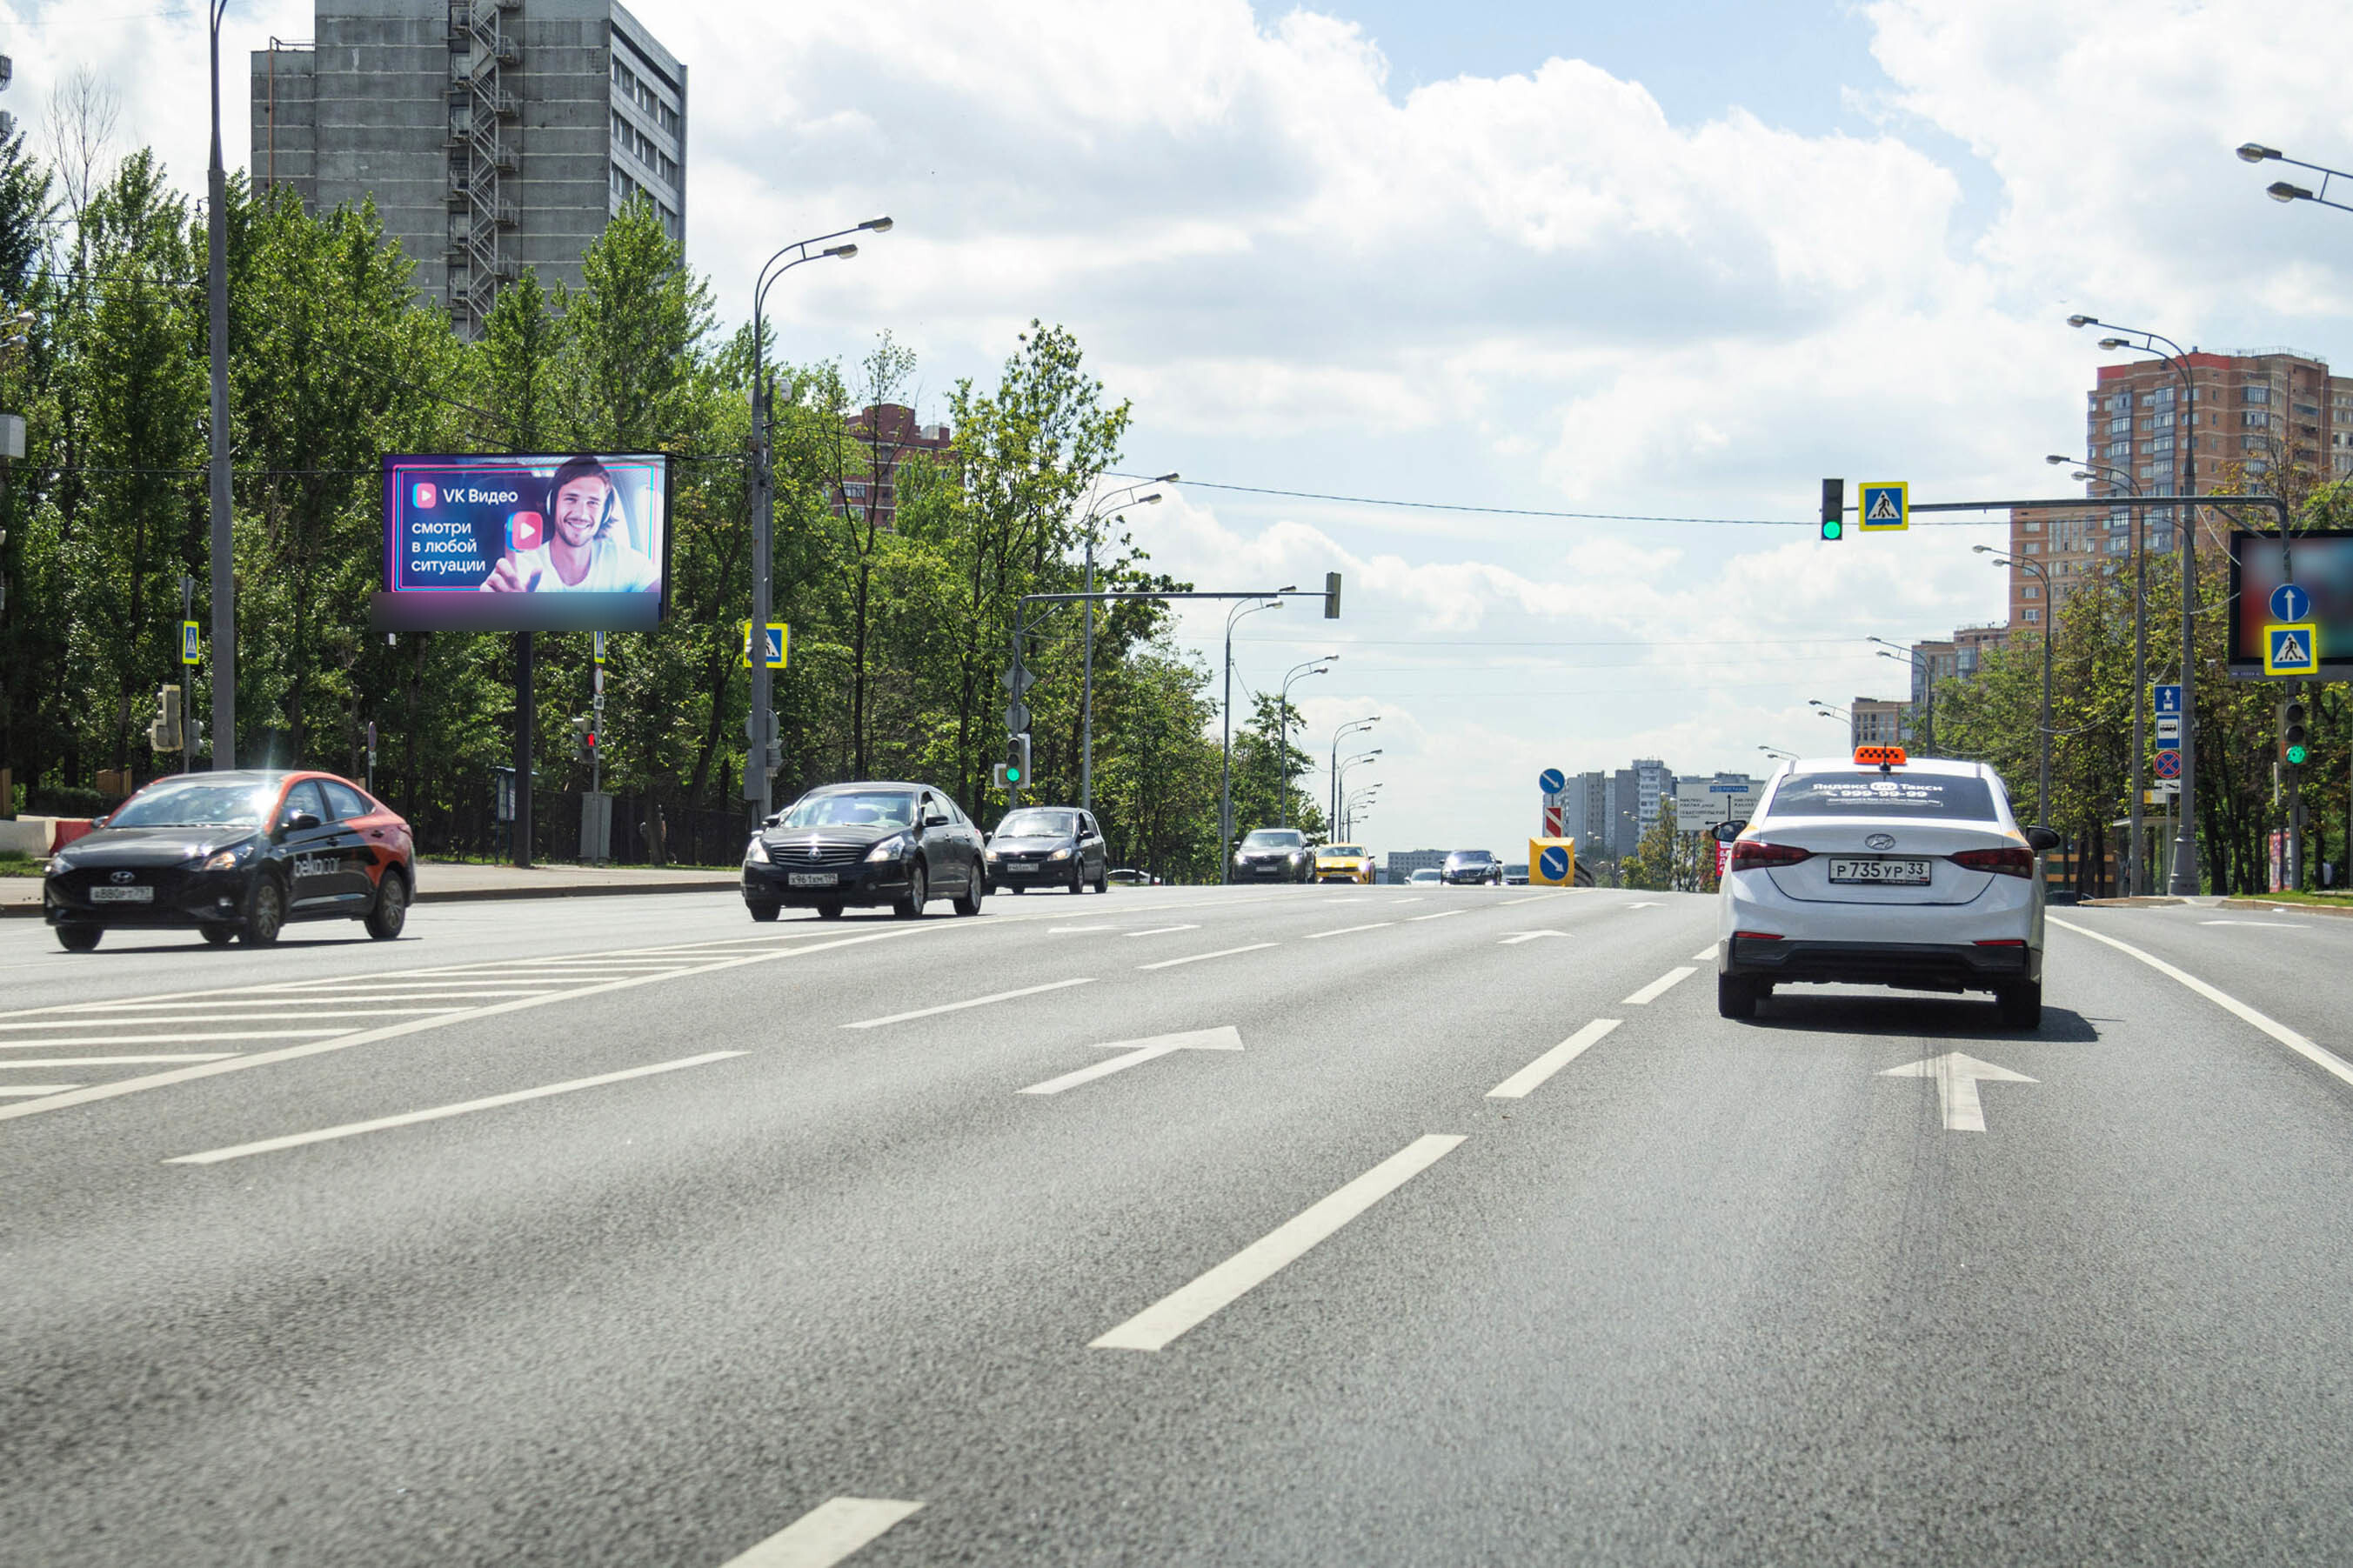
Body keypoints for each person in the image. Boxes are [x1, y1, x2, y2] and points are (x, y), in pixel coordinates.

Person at [478, 456, 658, 593]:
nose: (581, 514)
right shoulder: (521, 569)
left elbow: (659, 611)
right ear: (552, 504)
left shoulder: (630, 564)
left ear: (605, 512)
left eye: (593, 502)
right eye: (571, 499)